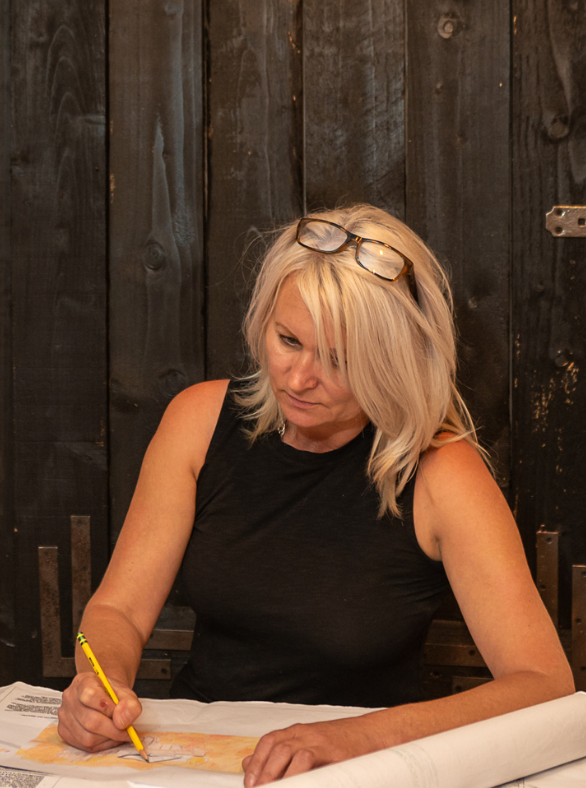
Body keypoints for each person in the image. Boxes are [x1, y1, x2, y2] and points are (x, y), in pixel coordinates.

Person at [56, 205, 574, 785]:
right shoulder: (198, 422)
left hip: (368, 769)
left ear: (393, 362)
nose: (299, 379)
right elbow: (114, 611)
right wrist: (97, 681)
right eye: (288, 340)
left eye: (338, 360)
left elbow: (544, 685)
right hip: (202, 764)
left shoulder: (441, 472)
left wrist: (355, 738)